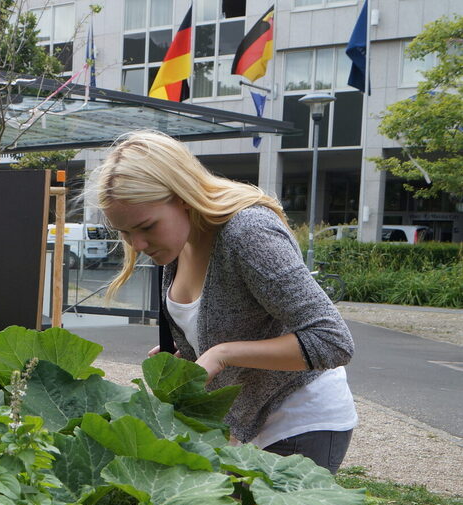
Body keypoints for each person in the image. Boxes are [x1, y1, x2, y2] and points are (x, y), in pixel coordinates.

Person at [93, 130, 357, 473]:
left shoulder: (248, 233)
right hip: (239, 424)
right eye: (124, 232)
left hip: (300, 419)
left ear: (183, 197)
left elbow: (333, 342)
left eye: (146, 226)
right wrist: (189, 358)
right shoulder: (174, 247)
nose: (137, 244)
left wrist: (221, 354)